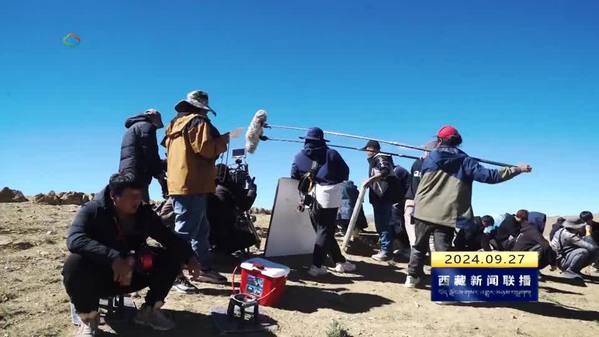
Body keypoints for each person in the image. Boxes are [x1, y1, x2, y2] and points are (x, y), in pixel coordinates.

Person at [62, 174, 202, 336]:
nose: (137, 200)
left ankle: (149, 311)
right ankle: (88, 318)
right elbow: (75, 239)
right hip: (99, 277)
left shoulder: (144, 214)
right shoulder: (93, 210)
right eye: (132, 196)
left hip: (132, 274)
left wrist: (190, 256)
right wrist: (113, 257)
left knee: (169, 257)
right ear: (114, 196)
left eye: (139, 195)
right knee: (74, 263)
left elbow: (168, 237)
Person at [405, 125, 532, 287]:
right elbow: (491, 176)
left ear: (439, 140)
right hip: (447, 214)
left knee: (418, 246)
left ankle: (412, 277)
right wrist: (517, 169)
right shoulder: (466, 161)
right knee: (443, 252)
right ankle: (442, 288)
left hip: (423, 210)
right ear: (457, 141)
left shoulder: (430, 157)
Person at [162, 90, 242, 284]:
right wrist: (225, 139)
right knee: (185, 231)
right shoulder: (198, 122)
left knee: (200, 230)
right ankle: (172, 273)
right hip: (193, 183)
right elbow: (205, 150)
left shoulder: (174, 125)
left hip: (179, 181)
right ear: (201, 108)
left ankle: (203, 267)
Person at [291, 127, 356, 277]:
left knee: (323, 231)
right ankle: (316, 266)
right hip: (328, 195)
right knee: (325, 230)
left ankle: (340, 261)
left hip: (308, 197)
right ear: (321, 140)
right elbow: (345, 172)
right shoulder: (331, 153)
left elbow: (294, 174)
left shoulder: (299, 156)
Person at [362, 140, 401, 261]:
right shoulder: (376, 159)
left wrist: (371, 180)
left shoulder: (380, 157)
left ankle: (386, 251)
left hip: (383, 196)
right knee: (381, 223)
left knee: (383, 223)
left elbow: (385, 170)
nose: (367, 152)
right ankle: (385, 249)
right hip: (380, 197)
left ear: (373, 148)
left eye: (368, 149)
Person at [118, 109, 168, 202]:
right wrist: (159, 172)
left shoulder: (133, 128)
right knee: (140, 204)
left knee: (131, 203)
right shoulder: (147, 127)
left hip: (127, 170)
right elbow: (150, 152)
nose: (156, 128)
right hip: (138, 172)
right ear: (153, 118)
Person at [207, 163, 258, 254]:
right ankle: (222, 250)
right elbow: (245, 205)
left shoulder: (209, 189)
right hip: (224, 235)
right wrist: (252, 190)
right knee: (251, 238)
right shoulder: (229, 189)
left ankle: (216, 248)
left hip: (208, 236)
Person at [404, 140, 437, 249]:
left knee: (429, 234)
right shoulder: (418, 163)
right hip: (414, 200)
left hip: (427, 202)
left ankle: (429, 259)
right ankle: (416, 253)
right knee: (414, 233)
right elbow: (414, 182)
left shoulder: (434, 165)